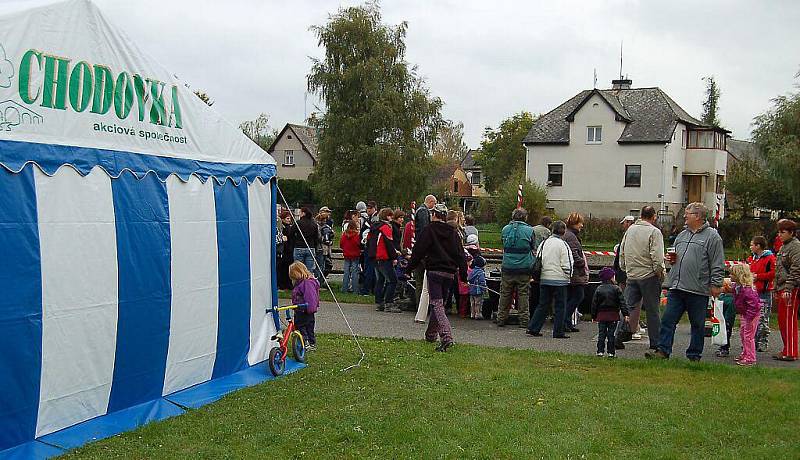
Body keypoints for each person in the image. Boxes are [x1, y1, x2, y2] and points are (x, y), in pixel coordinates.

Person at [646, 202, 724, 361]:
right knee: (668, 320)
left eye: (687, 214)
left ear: (698, 216)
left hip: (698, 289)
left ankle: (694, 355)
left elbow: (717, 262)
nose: (684, 217)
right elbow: (675, 256)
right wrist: (671, 260)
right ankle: (663, 350)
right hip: (677, 287)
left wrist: (716, 284)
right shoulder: (682, 235)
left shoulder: (712, 237)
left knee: (697, 325)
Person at [407, 203, 467, 352]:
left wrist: (408, 268)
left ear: (434, 215)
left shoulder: (429, 230)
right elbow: (460, 255)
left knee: (437, 304)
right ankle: (431, 335)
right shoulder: (453, 233)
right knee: (439, 304)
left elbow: (418, 251)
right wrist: (464, 275)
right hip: (449, 273)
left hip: (434, 271)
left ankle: (446, 337)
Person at [618, 206, 665, 351]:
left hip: (632, 275)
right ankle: (655, 342)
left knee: (627, 308)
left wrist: (625, 268)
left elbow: (622, 251)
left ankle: (618, 336)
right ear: (654, 217)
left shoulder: (630, 230)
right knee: (652, 311)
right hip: (649, 276)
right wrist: (660, 272)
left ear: (640, 215)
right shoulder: (654, 232)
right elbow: (657, 257)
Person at [527, 220, 573, 338]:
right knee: (560, 306)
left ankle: (533, 327)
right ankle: (558, 331)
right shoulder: (563, 245)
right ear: (563, 231)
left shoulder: (544, 243)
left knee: (543, 304)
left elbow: (538, 258)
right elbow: (567, 264)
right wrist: (569, 276)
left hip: (545, 278)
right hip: (560, 280)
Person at [497, 207, 535, 328]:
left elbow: (503, 243)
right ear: (525, 217)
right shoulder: (529, 230)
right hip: (524, 267)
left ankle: (501, 318)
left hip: (507, 266)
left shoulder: (505, 229)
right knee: (523, 294)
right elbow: (533, 245)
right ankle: (524, 320)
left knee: (505, 293)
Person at [723, 265, 761, 366]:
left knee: (748, 336)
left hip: (751, 316)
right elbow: (733, 290)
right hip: (745, 314)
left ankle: (751, 358)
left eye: (732, 274)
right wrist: (728, 289)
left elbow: (754, 306)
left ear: (738, 275)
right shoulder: (738, 286)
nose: (730, 275)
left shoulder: (748, 290)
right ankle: (745, 353)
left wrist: (749, 318)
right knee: (743, 334)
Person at [774, 219, 800, 361]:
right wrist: (776, 288)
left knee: (789, 320)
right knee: (782, 320)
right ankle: (786, 348)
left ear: (791, 233)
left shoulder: (795, 247)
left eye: (782, 232)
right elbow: (778, 269)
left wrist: (788, 288)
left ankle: (791, 352)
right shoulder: (784, 246)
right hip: (782, 287)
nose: (780, 235)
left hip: (791, 288)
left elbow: (796, 269)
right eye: (779, 232)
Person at [591, 267, 630, 358]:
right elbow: (622, 302)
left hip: (601, 315)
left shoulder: (599, 289)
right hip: (613, 315)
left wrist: (594, 315)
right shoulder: (616, 289)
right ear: (611, 278)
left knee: (601, 334)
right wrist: (626, 314)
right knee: (611, 334)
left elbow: (594, 304)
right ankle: (611, 352)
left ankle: (600, 351)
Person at [747, 236, 776, 352]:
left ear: (758, 246)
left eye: (752, 245)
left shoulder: (770, 258)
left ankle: (763, 341)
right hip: (752, 292)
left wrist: (758, 277)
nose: (750, 247)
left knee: (763, 318)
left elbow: (773, 273)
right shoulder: (752, 259)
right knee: (751, 317)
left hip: (764, 292)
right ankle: (751, 340)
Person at [613, 215, 637, 349]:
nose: (623, 225)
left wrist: (619, 270)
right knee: (629, 303)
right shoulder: (628, 234)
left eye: (624, 223)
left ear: (628, 223)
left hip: (626, 273)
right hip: (626, 272)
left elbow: (622, 255)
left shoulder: (629, 235)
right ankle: (631, 327)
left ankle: (629, 328)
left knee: (626, 302)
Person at [562, 212, 589, 333]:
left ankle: (567, 322)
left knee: (570, 297)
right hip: (575, 273)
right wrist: (582, 262)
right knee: (578, 295)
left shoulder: (567, 234)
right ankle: (565, 319)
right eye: (580, 223)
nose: (582, 225)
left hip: (570, 272)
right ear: (574, 223)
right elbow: (574, 254)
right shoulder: (572, 236)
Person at [370, 208, 400, 312]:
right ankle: (389, 303)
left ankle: (379, 302)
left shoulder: (375, 227)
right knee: (393, 280)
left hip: (375, 257)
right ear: (387, 216)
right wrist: (394, 256)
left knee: (381, 280)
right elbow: (389, 244)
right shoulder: (386, 228)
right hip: (384, 257)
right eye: (390, 216)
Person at [412, 195, 437, 308]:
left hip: (418, 247)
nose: (434, 206)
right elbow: (424, 229)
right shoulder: (423, 212)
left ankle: (419, 305)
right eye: (434, 203)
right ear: (430, 202)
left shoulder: (420, 210)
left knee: (419, 280)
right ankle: (421, 305)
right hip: (423, 249)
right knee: (422, 281)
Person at [289, 261, 320, 351]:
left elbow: (311, 297)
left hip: (305, 310)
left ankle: (308, 342)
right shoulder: (301, 283)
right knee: (301, 326)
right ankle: (306, 342)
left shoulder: (307, 283)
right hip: (300, 309)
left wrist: (309, 309)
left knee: (305, 327)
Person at [288, 207, 320, 274]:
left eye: (300, 212)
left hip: (299, 247)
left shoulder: (298, 223)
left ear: (303, 213)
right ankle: (309, 283)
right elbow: (316, 237)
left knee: (298, 270)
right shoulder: (314, 224)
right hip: (310, 247)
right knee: (309, 270)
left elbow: (290, 233)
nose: (299, 214)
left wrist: (294, 241)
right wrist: (315, 247)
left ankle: (299, 284)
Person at [358, 201, 379, 295]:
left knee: (369, 269)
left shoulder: (375, 219)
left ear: (375, 208)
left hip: (371, 247)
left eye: (370, 208)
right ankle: (372, 288)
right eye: (368, 208)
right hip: (369, 246)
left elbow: (372, 232)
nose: (368, 209)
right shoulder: (369, 218)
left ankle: (367, 289)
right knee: (369, 268)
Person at [339, 222, 361, 293]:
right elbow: (359, 244)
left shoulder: (344, 235)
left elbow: (341, 244)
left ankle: (344, 288)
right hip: (355, 255)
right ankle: (355, 289)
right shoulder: (357, 235)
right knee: (355, 273)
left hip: (346, 255)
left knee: (346, 273)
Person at [277, 210, 294, 290]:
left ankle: (287, 283)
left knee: (288, 268)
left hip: (289, 250)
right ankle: (281, 284)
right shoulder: (281, 228)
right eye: (287, 218)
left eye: (289, 218)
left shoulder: (289, 227)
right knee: (282, 268)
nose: (289, 220)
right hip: (283, 250)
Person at [316, 207, 334, 278]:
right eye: (327, 211)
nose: (328, 213)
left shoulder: (330, 222)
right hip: (320, 247)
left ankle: (321, 280)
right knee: (320, 265)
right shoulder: (316, 224)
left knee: (326, 265)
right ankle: (319, 281)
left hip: (326, 248)